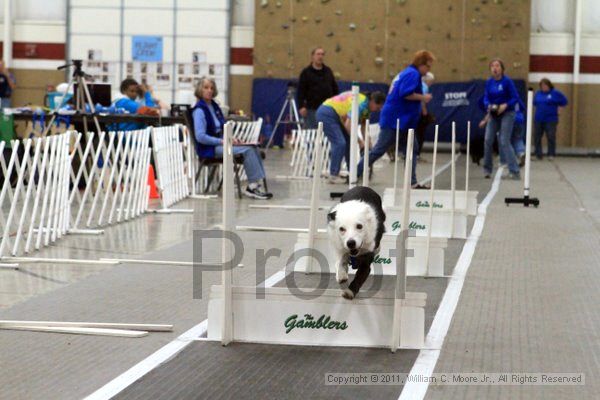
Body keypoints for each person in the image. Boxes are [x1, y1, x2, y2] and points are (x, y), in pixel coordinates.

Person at [357, 50, 435, 188]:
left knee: (412, 149)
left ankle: (412, 182)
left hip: (404, 120)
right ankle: (355, 172)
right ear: (421, 64)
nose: (429, 70)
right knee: (379, 149)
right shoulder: (413, 74)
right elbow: (405, 93)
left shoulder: (408, 72)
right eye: (428, 66)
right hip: (395, 119)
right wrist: (424, 97)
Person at [192, 77, 272, 200]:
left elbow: (222, 128)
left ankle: (256, 183)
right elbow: (200, 137)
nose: (209, 91)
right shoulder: (199, 111)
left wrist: (232, 139)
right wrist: (222, 141)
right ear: (200, 90)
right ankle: (252, 187)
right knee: (247, 150)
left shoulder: (214, 106)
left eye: (212, 88)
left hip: (221, 143)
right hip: (210, 148)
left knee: (252, 146)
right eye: (206, 88)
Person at [316, 90, 385, 184]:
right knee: (340, 143)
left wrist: (368, 147)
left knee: (348, 141)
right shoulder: (361, 104)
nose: (378, 110)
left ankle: (352, 172)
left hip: (335, 114)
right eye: (378, 107)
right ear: (372, 101)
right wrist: (360, 142)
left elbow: (364, 129)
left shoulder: (366, 108)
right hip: (327, 112)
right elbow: (348, 125)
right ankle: (333, 175)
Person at [482, 58, 520, 180]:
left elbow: (515, 97)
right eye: (492, 66)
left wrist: (505, 105)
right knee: (488, 139)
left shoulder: (507, 82)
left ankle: (514, 170)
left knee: (504, 140)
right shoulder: (489, 82)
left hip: (507, 113)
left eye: (497, 65)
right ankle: (487, 169)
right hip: (494, 113)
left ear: (502, 69)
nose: (495, 68)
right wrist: (488, 105)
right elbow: (486, 97)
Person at [297, 47, 339, 129]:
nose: (320, 56)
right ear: (313, 56)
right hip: (311, 109)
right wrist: (301, 106)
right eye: (318, 54)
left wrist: (336, 105)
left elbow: (335, 89)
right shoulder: (306, 72)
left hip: (327, 109)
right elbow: (300, 91)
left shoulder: (328, 71)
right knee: (312, 132)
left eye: (322, 54)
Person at [533, 78, 568, 160]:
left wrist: (559, 108)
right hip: (539, 118)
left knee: (551, 136)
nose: (544, 87)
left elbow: (564, 101)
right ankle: (538, 154)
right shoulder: (538, 94)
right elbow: (534, 103)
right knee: (537, 136)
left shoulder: (555, 93)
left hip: (551, 119)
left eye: (545, 85)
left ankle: (551, 154)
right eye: (542, 86)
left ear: (549, 85)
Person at [416, 72, 435, 159]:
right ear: (427, 80)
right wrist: (425, 112)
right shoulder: (424, 86)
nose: (432, 83)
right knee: (419, 134)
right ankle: (416, 154)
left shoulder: (419, 85)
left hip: (415, 112)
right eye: (431, 81)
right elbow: (421, 100)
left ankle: (414, 154)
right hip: (418, 113)